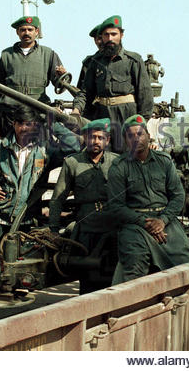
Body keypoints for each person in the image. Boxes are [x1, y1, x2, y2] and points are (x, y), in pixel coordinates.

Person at [0, 104, 80, 322]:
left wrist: (53, 125)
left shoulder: (44, 150)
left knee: (21, 268)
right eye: (22, 124)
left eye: (32, 124)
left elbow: (74, 147)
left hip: (27, 220)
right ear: (14, 125)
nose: (27, 129)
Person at [106, 114, 189, 284]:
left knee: (186, 262)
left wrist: (162, 221)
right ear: (126, 140)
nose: (136, 139)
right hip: (135, 225)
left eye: (140, 134)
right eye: (130, 135)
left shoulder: (164, 162)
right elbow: (116, 206)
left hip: (166, 222)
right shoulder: (119, 167)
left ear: (148, 136)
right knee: (134, 265)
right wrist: (145, 223)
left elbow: (178, 196)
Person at [48, 118, 119, 294]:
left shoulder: (117, 162)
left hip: (113, 227)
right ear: (84, 138)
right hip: (87, 229)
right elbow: (58, 198)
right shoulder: (72, 163)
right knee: (88, 280)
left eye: (100, 137)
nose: (95, 141)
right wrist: (54, 229)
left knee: (115, 278)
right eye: (91, 137)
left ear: (107, 140)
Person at [72, 15, 153, 151]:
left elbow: (145, 95)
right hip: (102, 117)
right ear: (102, 37)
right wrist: (76, 110)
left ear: (121, 35)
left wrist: (140, 123)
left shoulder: (133, 60)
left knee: (128, 159)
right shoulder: (95, 62)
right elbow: (85, 92)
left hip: (127, 117)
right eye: (106, 35)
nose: (110, 39)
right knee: (101, 156)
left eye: (114, 34)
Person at [0, 16, 67, 139]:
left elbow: (60, 86)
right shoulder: (6, 55)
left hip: (38, 111)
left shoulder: (48, 54)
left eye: (30, 30)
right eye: (23, 30)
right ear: (17, 32)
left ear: (37, 31)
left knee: (40, 152)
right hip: (11, 113)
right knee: (10, 150)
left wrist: (61, 78)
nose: (26, 33)